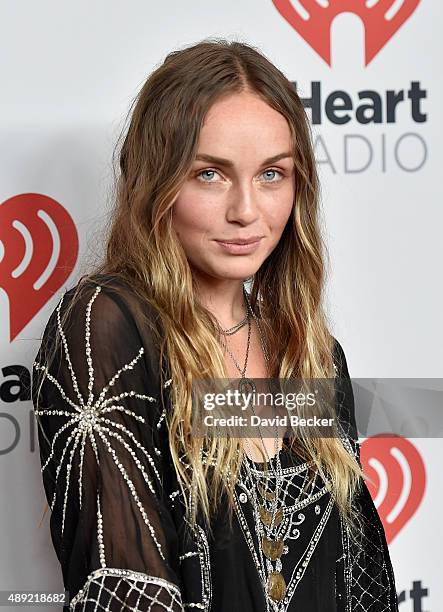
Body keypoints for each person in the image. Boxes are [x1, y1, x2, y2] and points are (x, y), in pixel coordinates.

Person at [31, 38, 399, 611]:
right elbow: (126, 588)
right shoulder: (108, 325)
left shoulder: (313, 355)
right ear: (157, 181)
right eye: (210, 174)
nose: (246, 210)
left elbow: (363, 584)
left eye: (273, 174)